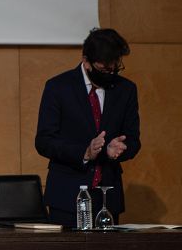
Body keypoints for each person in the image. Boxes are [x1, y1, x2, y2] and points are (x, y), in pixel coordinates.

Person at [35, 28, 140, 227]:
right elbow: (44, 141)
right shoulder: (58, 87)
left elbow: (134, 140)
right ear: (86, 61)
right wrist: (84, 152)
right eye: (104, 70)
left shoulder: (126, 89)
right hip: (66, 197)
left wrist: (117, 149)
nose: (110, 75)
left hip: (108, 197)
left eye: (115, 69)